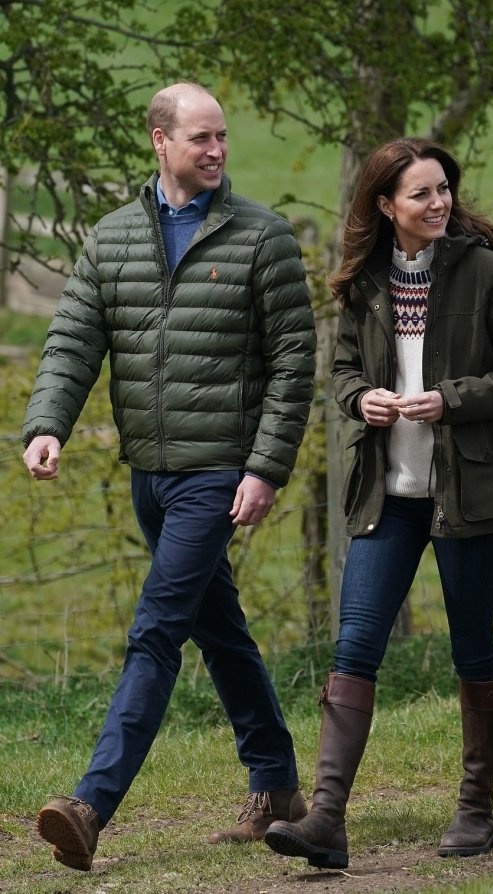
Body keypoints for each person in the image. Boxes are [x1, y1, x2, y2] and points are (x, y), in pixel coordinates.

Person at [22, 81, 316, 872]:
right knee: (217, 626)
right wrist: (47, 423)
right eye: (201, 139)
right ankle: (279, 784)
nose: (217, 151)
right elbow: (74, 339)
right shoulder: (113, 237)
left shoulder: (262, 238)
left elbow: (294, 365)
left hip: (217, 472)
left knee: (156, 631)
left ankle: (90, 805)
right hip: (147, 470)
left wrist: (264, 467)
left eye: (223, 137)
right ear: (160, 142)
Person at [264, 137, 493, 869]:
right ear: (385, 204)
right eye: (419, 193)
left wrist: (449, 400)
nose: (437, 202)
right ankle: (325, 821)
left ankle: (475, 810)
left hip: (470, 492)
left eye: (442, 189)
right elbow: (341, 373)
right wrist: (366, 399)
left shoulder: (486, 273)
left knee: (471, 650)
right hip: (384, 496)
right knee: (355, 646)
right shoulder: (362, 283)